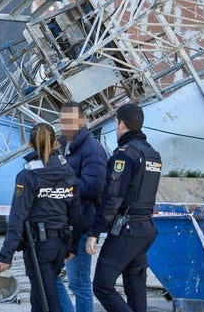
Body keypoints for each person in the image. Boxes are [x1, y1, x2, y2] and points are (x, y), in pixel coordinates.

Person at [0, 123, 82, 312]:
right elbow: (76, 212)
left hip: (39, 247)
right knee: (39, 299)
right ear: (54, 141)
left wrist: (5, 256)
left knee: (47, 302)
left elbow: (17, 217)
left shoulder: (27, 176)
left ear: (30, 144)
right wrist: (72, 245)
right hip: (60, 244)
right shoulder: (67, 171)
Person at [85, 103, 162, 312]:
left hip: (127, 229)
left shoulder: (125, 154)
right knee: (135, 284)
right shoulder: (152, 154)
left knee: (102, 285)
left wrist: (94, 232)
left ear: (121, 124)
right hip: (145, 228)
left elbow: (113, 197)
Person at [56, 102, 107, 312]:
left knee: (79, 283)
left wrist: (62, 181)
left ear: (82, 120)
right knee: (50, 275)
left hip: (82, 225)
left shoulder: (92, 149)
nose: (66, 125)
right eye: (63, 121)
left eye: (70, 121)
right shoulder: (63, 144)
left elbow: (93, 187)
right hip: (64, 223)